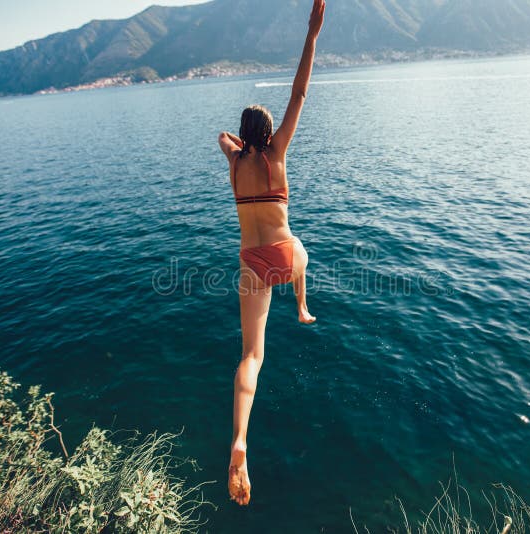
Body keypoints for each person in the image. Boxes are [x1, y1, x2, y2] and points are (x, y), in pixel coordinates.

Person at [217, 0, 326, 507]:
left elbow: (222, 137)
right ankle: (302, 306)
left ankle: (240, 440)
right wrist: (311, 34)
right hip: (286, 257)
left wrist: (237, 142)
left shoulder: (235, 162)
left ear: (243, 135)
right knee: (302, 244)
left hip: (251, 264)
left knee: (251, 357)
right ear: (268, 133)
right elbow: (299, 91)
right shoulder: (277, 152)